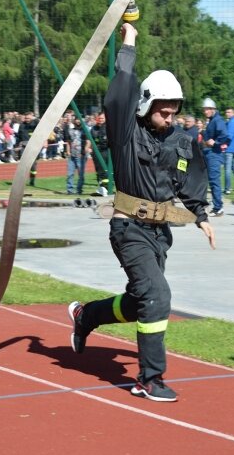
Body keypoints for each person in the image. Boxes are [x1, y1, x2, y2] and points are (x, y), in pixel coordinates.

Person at [68, 22, 214, 403]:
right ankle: (150, 379)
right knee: (159, 296)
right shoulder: (125, 132)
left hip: (160, 233)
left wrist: (202, 216)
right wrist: (129, 41)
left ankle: (86, 316)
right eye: (162, 111)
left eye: (173, 112)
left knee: (139, 302)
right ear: (147, 106)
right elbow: (121, 88)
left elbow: (193, 181)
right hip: (128, 227)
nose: (169, 118)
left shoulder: (182, 140)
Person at [201, 97, 229, 216]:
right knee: (211, 181)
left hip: (214, 153)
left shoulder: (217, 120)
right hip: (210, 153)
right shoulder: (212, 120)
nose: (205, 111)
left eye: (207, 109)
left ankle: (218, 207)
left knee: (214, 180)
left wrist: (215, 142)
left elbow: (225, 135)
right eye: (204, 109)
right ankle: (216, 205)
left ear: (213, 109)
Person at [64, 117, 89, 195]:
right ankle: (69, 190)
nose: (78, 121)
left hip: (81, 155)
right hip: (72, 155)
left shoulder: (85, 131)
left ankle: (79, 190)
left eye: (79, 119)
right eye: (77, 119)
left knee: (80, 174)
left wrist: (85, 150)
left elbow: (88, 141)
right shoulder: (71, 131)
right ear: (74, 121)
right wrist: (68, 151)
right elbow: (68, 142)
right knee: (70, 173)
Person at [90, 112, 110, 195]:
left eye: (102, 118)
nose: (101, 120)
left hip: (106, 151)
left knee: (105, 170)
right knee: (99, 170)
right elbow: (91, 139)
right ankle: (102, 188)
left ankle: (106, 188)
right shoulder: (94, 128)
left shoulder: (109, 127)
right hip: (97, 152)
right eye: (99, 118)